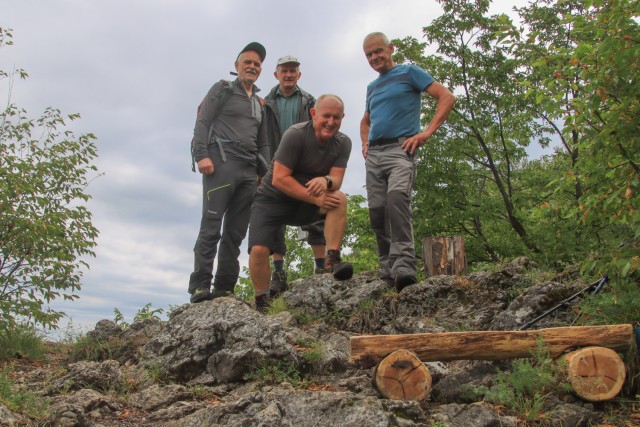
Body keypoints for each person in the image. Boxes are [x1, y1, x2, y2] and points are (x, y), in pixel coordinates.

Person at [360, 32, 456, 292]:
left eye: (378, 51)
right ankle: (387, 268)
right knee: (377, 210)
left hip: (400, 148)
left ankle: (404, 265)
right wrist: (365, 143)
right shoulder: (372, 87)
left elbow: (446, 97)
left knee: (397, 199)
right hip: (375, 154)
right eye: (369, 54)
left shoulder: (409, 72)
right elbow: (365, 121)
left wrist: (426, 132)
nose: (374, 57)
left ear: (390, 48)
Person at [248, 94, 353, 312]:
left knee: (339, 199)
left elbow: (337, 179)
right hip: (272, 199)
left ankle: (331, 261)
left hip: (306, 203)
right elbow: (279, 178)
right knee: (258, 249)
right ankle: (262, 302)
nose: (331, 122)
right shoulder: (295, 135)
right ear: (313, 114)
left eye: (336, 117)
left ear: (343, 118)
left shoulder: (343, 142)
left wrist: (325, 181)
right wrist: (315, 196)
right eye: (326, 116)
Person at [188, 42, 270, 303]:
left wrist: (264, 173)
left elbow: (264, 141)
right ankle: (201, 285)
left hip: (248, 173)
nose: (252, 67)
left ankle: (224, 287)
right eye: (247, 62)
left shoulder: (260, 103)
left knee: (235, 233)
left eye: (257, 64)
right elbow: (202, 121)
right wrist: (201, 155)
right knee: (211, 226)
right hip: (221, 164)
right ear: (237, 66)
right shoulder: (222, 89)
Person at [264, 55, 326, 297]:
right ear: (276, 74)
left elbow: (319, 131)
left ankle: (321, 267)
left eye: (293, 71)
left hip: (305, 165)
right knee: (274, 217)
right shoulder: (264, 102)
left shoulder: (310, 101)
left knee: (315, 210)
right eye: (284, 70)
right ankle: (278, 273)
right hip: (274, 166)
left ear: (299, 75)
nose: (288, 74)